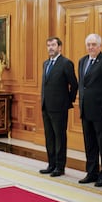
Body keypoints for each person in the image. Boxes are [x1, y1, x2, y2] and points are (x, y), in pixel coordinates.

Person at [77, 33, 102, 187]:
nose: (91, 47)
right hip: (86, 110)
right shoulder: (82, 61)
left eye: (94, 44)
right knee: (90, 144)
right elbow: (83, 85)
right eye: (88, 44)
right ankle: (91, 172)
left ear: (100, 46)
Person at [39, 37, 77, 177]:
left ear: (59, 47)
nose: (50, 48)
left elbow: (74, 84)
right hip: (46, 106)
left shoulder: (66, 63)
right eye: (48, 45)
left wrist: (68, 101)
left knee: (59, 138)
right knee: (49, 137)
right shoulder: (45, 64)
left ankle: (60, 167)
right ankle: (51, 164)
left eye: (53, 45)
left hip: (59, 107)